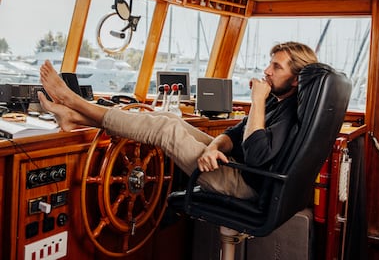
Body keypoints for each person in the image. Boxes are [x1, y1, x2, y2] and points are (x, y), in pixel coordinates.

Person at [38, 41, 318, 200]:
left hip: (248, 184)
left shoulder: (289, 110)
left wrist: (256, 100)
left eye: (276, 67)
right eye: (270, 63)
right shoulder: (274, 99)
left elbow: (257, 156)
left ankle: (74, 102)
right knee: (164, 117)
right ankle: (74, 116)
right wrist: (214, 147)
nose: (267, 71)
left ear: (296, 79)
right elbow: (235, 133)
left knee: (164, 129)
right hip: (235, 166)